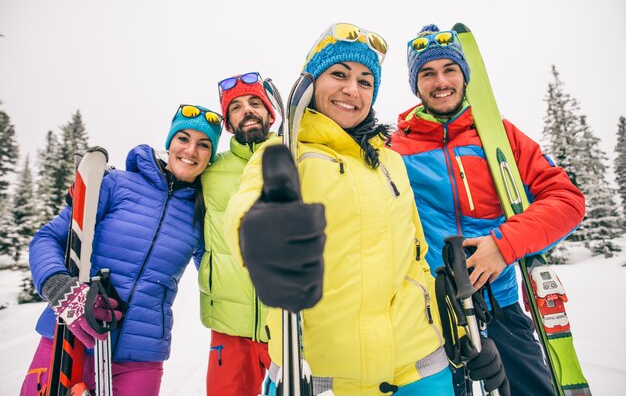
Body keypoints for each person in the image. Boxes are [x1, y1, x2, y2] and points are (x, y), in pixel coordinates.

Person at [225, 23, 509, 396]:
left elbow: (416, 262)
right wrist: (262, 240)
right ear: (310, 85)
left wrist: (459, 332)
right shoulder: (285, 153)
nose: (351, 89)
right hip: (323, 374)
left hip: (419, 367)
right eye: (338, 75)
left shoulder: (389, 160)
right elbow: (245, 213)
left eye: (365, 81)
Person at [391, 24, 586, 396]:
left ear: (465, 76)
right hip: (432, 312)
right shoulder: (395, 148)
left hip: (500, 301)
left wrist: (504, 245)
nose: (440, 81)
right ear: (416, 86)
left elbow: (567, 199)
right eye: (427, 73)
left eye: (450, 69)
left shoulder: (499, 135)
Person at [20, 104, 223, 396]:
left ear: (210, 157)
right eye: (183, 139)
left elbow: (217, 271)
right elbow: (48, 238)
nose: (191, 150)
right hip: (70, 335)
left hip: (140, 357)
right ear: (169, 143)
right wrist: (60, 289)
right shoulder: (117, 184)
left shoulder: (201, 213)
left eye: (204, 145)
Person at [198, 71, 278, 396]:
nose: (247, 110)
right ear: (229, 122)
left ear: (270, 113)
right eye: (237, 107)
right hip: (229, 326)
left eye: (255, 102)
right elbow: (171, 179)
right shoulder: (210, 171)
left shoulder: (296, 156)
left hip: (286, 324)